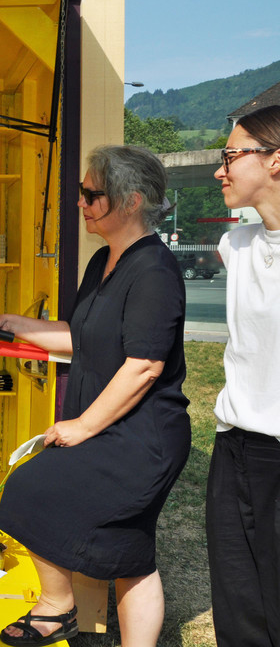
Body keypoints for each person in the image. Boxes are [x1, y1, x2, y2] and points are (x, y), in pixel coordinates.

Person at [0, 145, 190, 647]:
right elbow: (81, 335)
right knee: (131, 553)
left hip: (142, 436)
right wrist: (14, 324)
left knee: (31, 488)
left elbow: (145, 365)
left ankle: (57, 606)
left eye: (92, 194)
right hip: (114, 423)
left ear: (131, 201)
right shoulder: (103, 261)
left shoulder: (154, 270)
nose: (81, 203)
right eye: (82, 193)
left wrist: (83, 426)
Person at [206, 104, 280, 647]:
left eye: (231, 156)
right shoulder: (235, 245)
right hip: (234, 445)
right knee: (238, 605)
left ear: (276, 160)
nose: (220, 170)